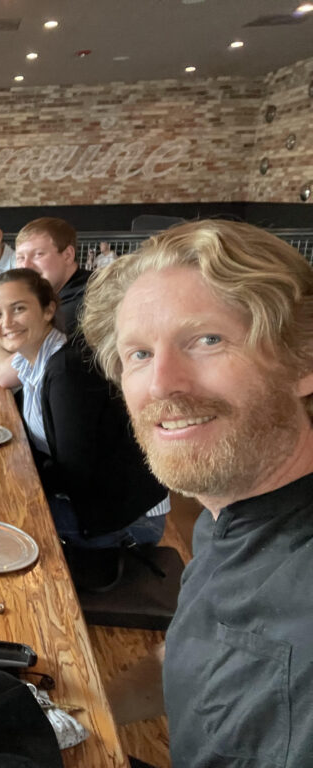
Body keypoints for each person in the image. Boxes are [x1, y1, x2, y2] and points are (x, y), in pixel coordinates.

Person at [80, 220, 313, 766]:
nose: (162, 383)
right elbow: (193, 657)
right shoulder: (228, 514)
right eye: (138, 354)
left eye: (207, 340)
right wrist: (73, 719)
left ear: (303, 360)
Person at [0, 269, 168, 548]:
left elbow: (76, 473)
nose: (6, 322)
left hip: (122, 518)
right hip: (87, 500)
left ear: (48, 310)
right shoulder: (30, 363)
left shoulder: (67, 370)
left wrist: (6, 480)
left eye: (18, 309)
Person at [0, 217, 91, 388]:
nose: (26, 266)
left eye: (38, 254)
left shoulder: (81, 303)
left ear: (68, 255)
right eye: (20, 258)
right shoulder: (52, 295)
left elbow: (6, 375)